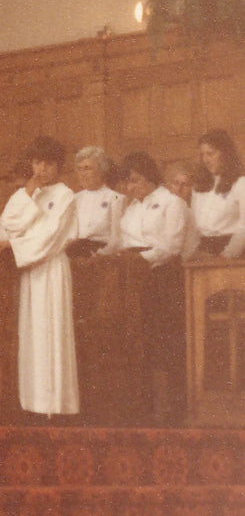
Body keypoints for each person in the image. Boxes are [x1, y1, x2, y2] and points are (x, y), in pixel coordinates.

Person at [0, 135, 79, 418]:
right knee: (32, 335)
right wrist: (27, 194)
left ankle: (57, 406)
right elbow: (8, 225)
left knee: (52, 333)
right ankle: (34, 404)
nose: (42, 170)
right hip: (29, 272)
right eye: (37, 163)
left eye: (49, 165)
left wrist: (15, 245)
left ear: (58, 167)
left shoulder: (65, 195)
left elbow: (51, 236)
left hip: (50, 268)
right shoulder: (25, 193)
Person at [116, 149, 190, 422]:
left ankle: (173, 408)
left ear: (149, 177)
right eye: (128, 182)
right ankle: (146, 407)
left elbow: (171, 245)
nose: (131, 187)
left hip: (163, 278)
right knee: (141, 343)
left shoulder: (172, 203)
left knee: (166, 343)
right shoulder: (132, 208)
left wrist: (140, 261)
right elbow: (124, 240)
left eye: (135, 180)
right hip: (134, 279)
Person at [193, 128, 245, 258]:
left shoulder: (240, 183)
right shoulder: (199, 186)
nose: (205, 159)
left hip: (232, 250)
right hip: (204, 248)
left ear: (226, 154)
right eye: (202, 155)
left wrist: (227, 254)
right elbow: (195, 226)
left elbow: (243, 226)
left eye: (210, 154)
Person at [67, 145, 124, 257]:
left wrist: (99, 256)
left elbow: (116, 239)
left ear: (102, 170)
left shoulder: (115, 198)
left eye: (88, 168)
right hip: (75, 254)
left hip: (102, 256)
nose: (83, 174)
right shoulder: (74, 198)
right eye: (80, 169)